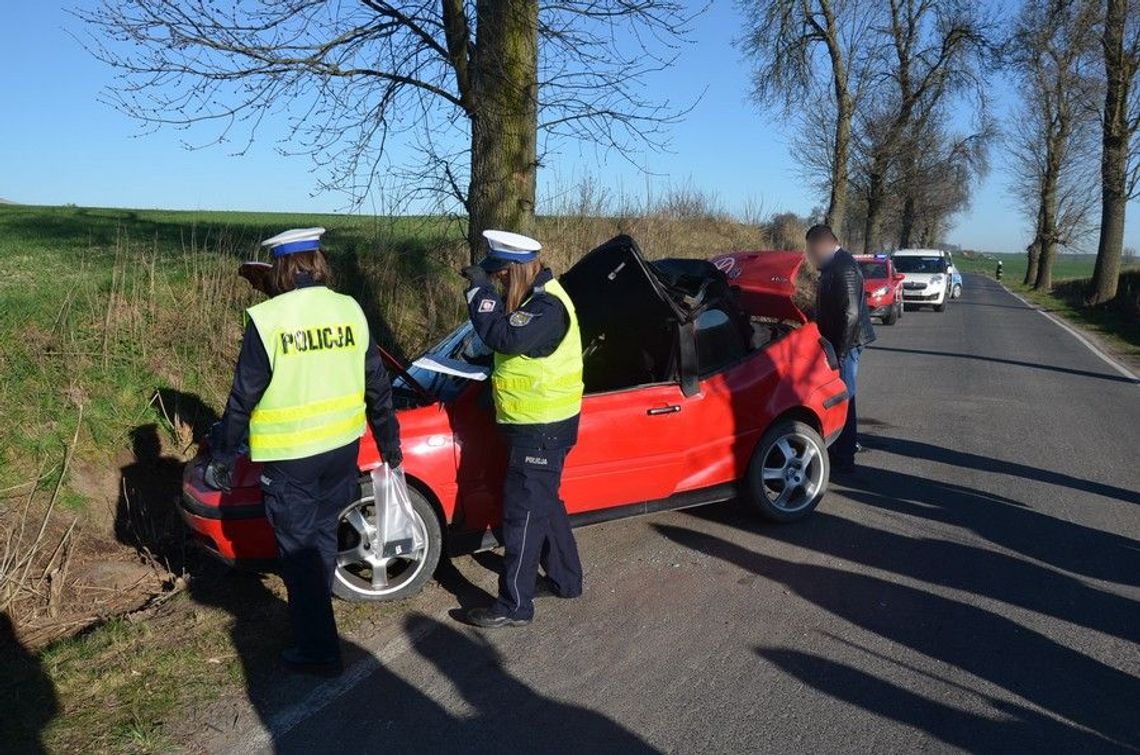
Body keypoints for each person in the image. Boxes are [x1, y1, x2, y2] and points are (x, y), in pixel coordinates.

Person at [204, 227, 402, 676]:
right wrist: (389, 442)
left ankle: (318, 648)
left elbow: (243, 396)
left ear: (281, 267)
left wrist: (222, 454)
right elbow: (377, 384)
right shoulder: (349, 308)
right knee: (322, 536)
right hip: (340, 451)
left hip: (292, 457)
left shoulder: (269, 318)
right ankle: (319, 621)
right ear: (317, 263)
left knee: (297, 550)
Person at [459, 229, 585, 628]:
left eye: (500, 276)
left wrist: (479, 292)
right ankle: (567, 580)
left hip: (541, 429)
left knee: (522, 516)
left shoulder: (547, 307)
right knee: (544, 504)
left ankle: (515, 605)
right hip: (536, 425)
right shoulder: (536, 299)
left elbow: (504, 336)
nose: (497, 281)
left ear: (515, 269)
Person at [804, 224, 875, 474]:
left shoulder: (844, 267)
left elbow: (850, 314)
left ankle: (844, 458)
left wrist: (840, 354)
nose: (811, 256)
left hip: (848, 344)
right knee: (840, 398)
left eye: (812, 250)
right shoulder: (835, 265)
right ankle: (840, 450)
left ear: (822, 245)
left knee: (845, 399)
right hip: (843, 342)